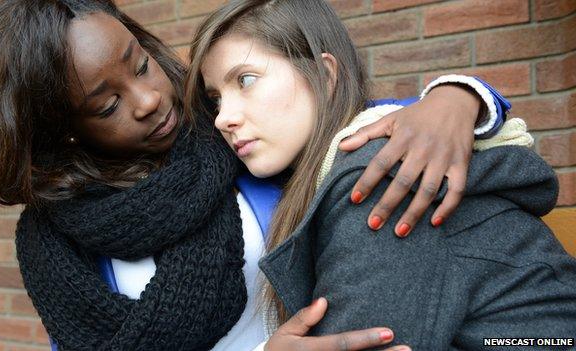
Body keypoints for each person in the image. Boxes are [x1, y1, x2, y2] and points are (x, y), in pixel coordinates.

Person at [0, 0, 511, 350]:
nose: (151, 99)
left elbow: (365, 124)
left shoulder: (233, 136)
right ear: (62, 131)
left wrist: (458, 97)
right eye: (107, 106)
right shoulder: (55, 243)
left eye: (140, 64)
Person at [185, 0, 576, 349]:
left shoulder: (381, 173)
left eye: (246, 80)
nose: (224, 118)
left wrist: (461, 93)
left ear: (324, 74)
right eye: (215, 99)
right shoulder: (333, 167)